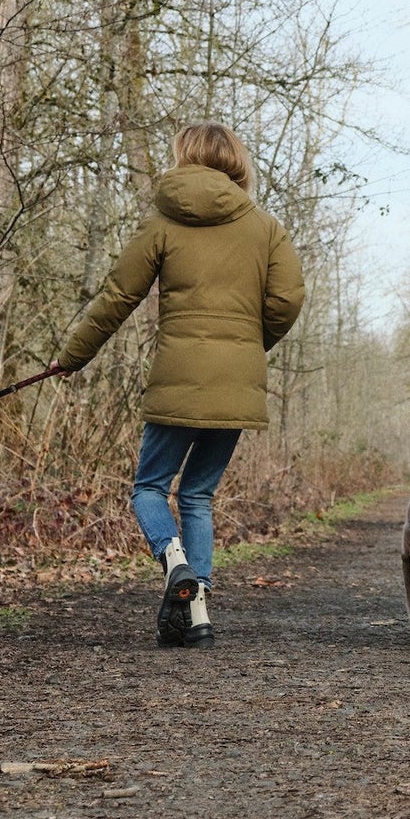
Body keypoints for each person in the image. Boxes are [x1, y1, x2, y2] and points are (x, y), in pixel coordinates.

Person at [51, 122, 305, 648]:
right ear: (236, 161)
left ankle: (173, 561)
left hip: (176, 378)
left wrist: (72, 357)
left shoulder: (163, 223)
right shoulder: (266, 228)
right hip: (238, 383)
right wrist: (248, 349)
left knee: (148, 487)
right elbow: (286, 301)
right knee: (198, 495)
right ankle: (198, 611)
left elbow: (117, 297)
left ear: (184, 157)